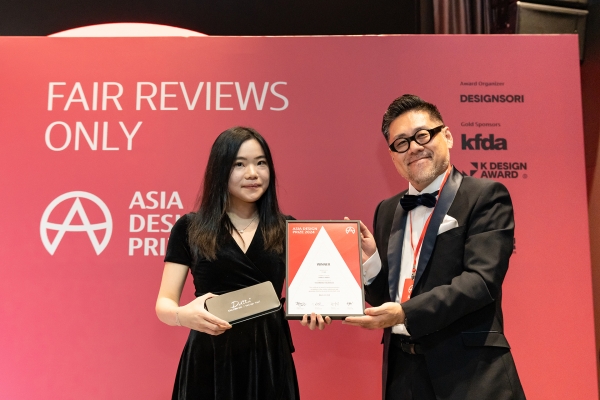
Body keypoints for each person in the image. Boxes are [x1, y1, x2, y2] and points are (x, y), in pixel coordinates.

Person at [344, 95, 525, 400]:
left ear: (448, 136)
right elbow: (386, 300)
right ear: (392, 156)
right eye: (401, 143)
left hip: (470, 376)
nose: (414, 147)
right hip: (403, 378)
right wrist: (371, 262)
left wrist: (404, 313)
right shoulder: (387, 210)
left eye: (423, 135)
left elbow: (481, 282)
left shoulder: (485, 196)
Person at [155, 126, 302, 399]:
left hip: (269, 358)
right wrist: (182, 315)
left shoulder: (288, 228)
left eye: (261, 163)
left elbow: (307, 297)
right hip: (209, 358)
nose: (252, 173)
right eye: (239, 164)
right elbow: (164, 303)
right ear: (220, 169)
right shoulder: (189, 228)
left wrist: (315, 313)